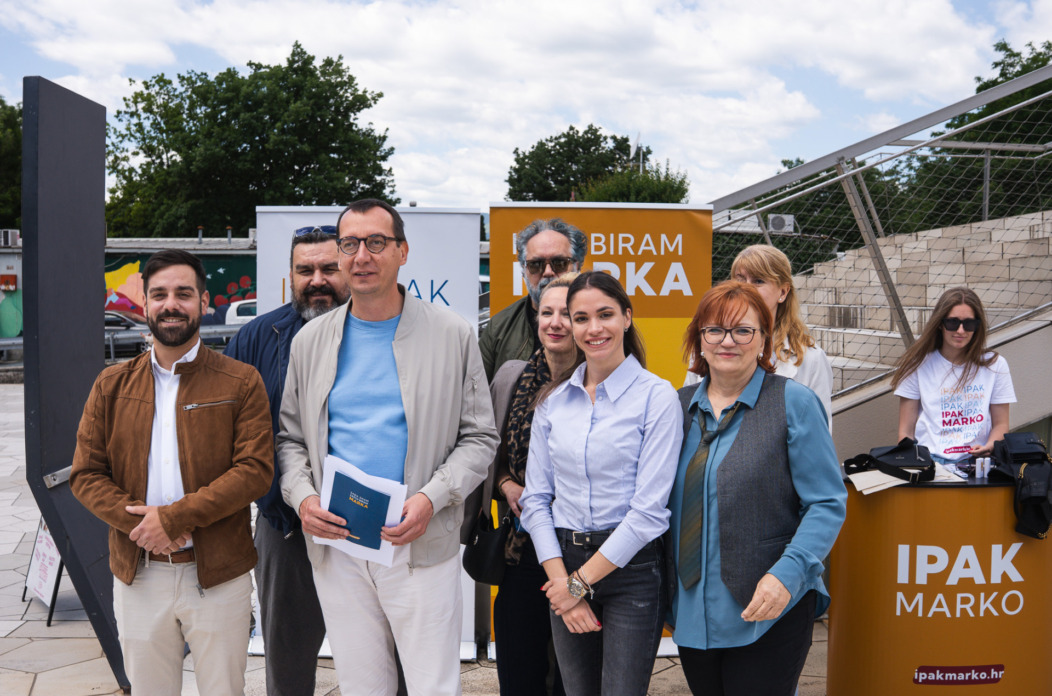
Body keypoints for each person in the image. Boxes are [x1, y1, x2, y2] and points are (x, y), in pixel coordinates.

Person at [277, 199, 499, 696]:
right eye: (350, 244)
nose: (362, 256)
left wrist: (431, 499)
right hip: (339, 547)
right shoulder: (311, 341)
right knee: (361, 686)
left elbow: (480, 437)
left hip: (418, 540)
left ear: (402, 251)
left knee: (432, 687)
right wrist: (304, 499)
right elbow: (290, 440)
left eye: (376, 242)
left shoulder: (452, 334)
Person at [71, 250, 273, 696]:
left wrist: (173, 518)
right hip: (139, 575)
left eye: (183, 293)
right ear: (145, 303)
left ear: (204, 302)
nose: (171, 304)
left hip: (218, 576)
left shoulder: (241, 381)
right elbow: (86, 474)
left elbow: (255, 471)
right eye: (159, 294)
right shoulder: (111, 384)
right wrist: (146, 527)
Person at [670, 281, 846, 696]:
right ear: (699, 339)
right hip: (691, 611)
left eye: (743, 330)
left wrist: (787, 575)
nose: (727, 341)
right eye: (715, 330)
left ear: (764, 339)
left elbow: (826, 502)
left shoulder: (793, 402)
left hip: (771, 605)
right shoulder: (675, 408)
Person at [519, 270, 683, 696]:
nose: (594, 328)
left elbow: (648, 514)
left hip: (632, 570)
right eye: (581, 318)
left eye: (605, 314)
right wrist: (562, 584)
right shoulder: (553, 402)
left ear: (627, 317)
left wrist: (575, 587)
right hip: (564, 560)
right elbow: (536, 501)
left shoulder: (657, 397)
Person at [223, 226, 350, 696]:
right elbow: (226, 429)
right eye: (305, 270)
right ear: (290, 276)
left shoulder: (378, 331)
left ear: (349, 268)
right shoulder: (258, 337)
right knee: (288, 664)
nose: (317, 280)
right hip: (286, 527)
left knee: (381, 660)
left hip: (369, 528)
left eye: (329, 268)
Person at [488, 273, 577, 696]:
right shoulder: (513, 378)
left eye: (568, 314)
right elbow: (491, 458)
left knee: (571, 679)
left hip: (581, 552)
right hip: (522, 547)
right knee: (519, 671)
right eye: (547, 312)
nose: (555, 322)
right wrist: (507, 484)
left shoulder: (603, 384)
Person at [685, 245, 832, 428]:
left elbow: (817, 433)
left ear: (783, 292)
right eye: (740, 279)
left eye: (758, 281)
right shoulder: (709, 346)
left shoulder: (811, 359)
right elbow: (688, 418)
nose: (746, 288)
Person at [893, 286, 1015, 465]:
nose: (960, 330)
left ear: (977, 326)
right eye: (952, 323)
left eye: (969, 324)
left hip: (978, 462)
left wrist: (989, 447)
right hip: (931, 462)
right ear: (940, 323)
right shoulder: (917, 364)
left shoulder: (995, 364)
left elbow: (1001, 424)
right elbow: (905, 432)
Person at [479, 218, 587, 380]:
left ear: (577, 266)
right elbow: (478, 390)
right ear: (523, 270)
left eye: (559, 263)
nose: (548, 272)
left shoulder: (600, 325)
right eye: (536, 264)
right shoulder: (499, 328)